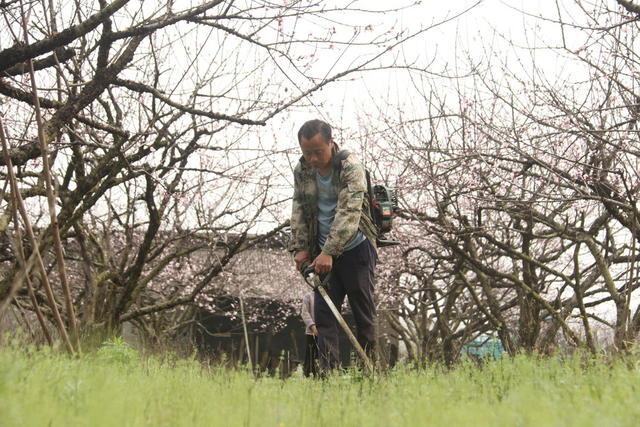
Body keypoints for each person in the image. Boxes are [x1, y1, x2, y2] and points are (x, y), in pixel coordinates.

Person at [289, 119, 378, 372]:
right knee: (324, 316)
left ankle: (367, 372)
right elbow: (299, 208)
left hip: (355, 249)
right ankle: (327, 378)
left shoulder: (350, 166)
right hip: (321, 254)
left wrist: (330, 251)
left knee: (363, 315)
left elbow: (349, 212)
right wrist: (301, 247)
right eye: (308, 153)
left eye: (318, 151)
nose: (313, 158)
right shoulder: (303, 169)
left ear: (331, 143)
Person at [301, 291, 318, 377]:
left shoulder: (329, 296)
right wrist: (312, 326)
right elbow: (304, 313)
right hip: (311, 332)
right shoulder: (308, 296)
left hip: (325, 332)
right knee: (310, 355)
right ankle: (307, 376)